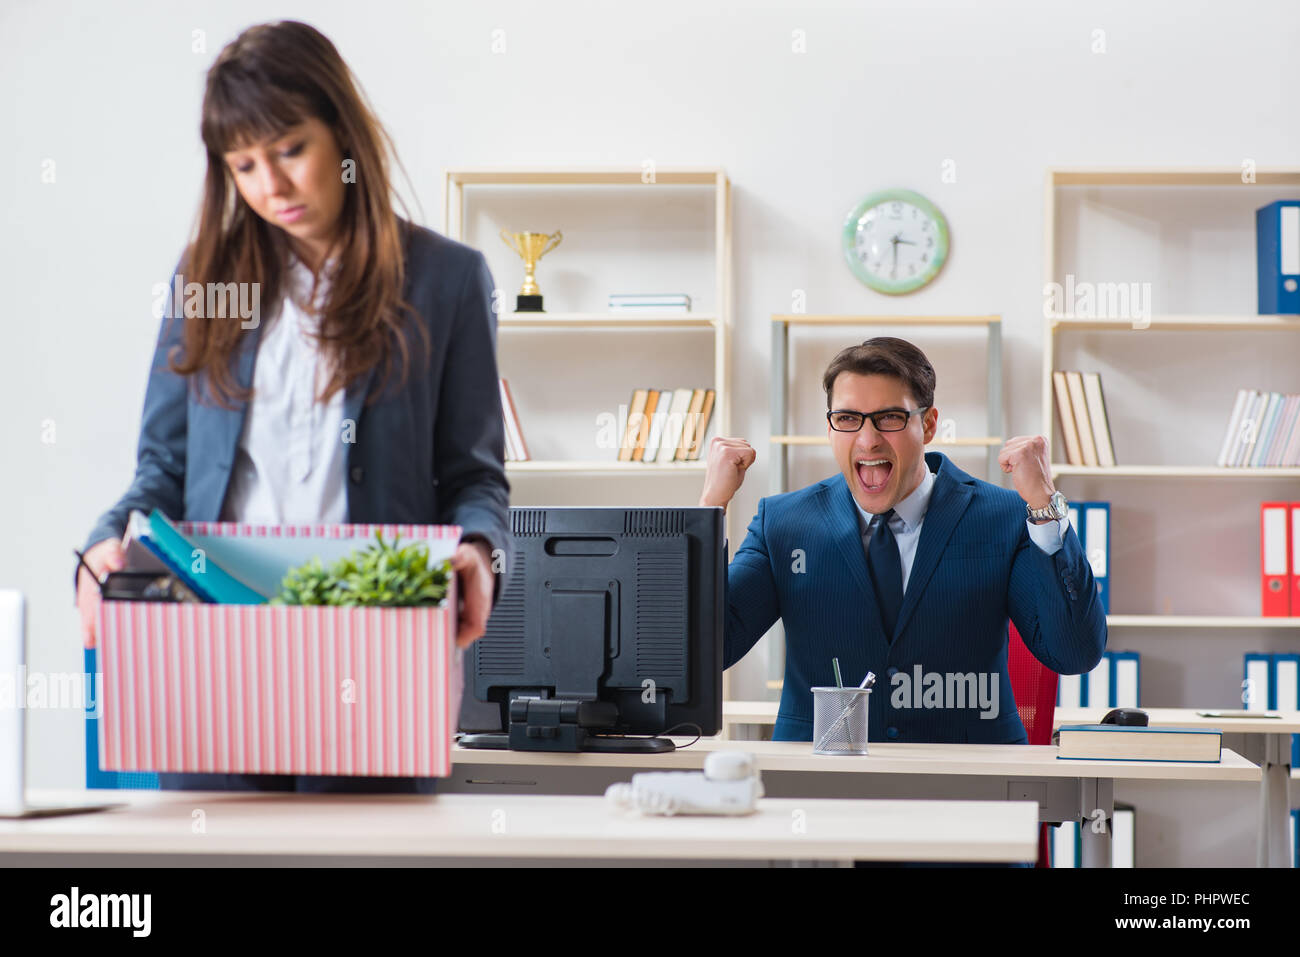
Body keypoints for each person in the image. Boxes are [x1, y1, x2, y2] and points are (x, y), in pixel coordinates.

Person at [74, 21, 510, 794]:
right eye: (243, 164)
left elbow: (473, 476)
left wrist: (478, 550)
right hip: (210, 662)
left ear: (341, 134)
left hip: (377, 666)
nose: (270, 186)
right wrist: (106, 542)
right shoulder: (210, 280)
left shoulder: (444, 281)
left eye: (289, 150)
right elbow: (165, 468)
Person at [700, 336, 1106, 744]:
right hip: (821, 783)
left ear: (928, 425)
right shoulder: (784, 523)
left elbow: (1073, 652)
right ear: (830, 427)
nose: (868, 439)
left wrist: (1043, 505)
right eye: (847, 418)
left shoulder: (1003, 517)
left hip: (968, 785)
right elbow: (704, 654)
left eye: (889, 418)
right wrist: (708, 511)